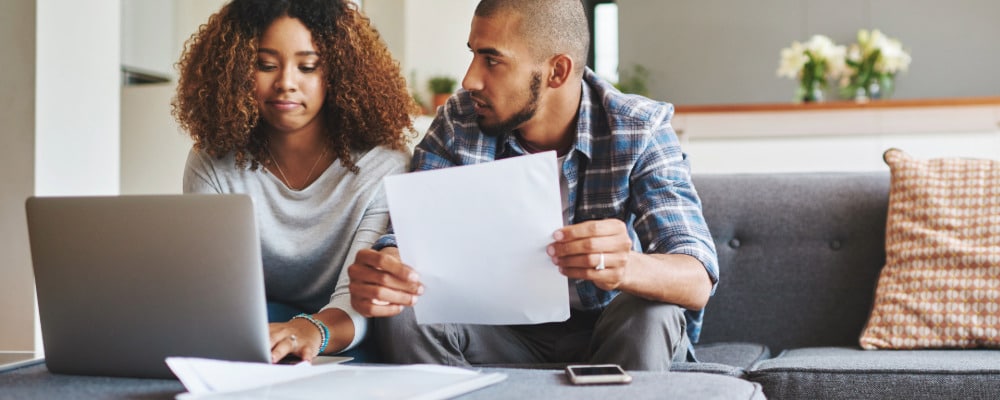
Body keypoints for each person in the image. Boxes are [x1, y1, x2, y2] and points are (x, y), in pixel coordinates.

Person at [347, 0, 718, 371]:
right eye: (473, 54)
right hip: (499, 332)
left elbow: (697, 277)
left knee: (652, 311)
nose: (469, 79)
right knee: (406, 309)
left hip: (609, 330)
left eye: (491, 60)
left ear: (557, 71)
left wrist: (626, 267)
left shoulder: (639, 129)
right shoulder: (459, 122)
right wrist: (390, 269)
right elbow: (408, 240)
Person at [173, 0, 417, 363]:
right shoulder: (212, 162)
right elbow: (213, 294)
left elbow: (362, 298)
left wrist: (310, 330)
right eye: (265, 65)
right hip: (255, 327)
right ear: (237, 69)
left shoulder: (383, 164)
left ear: (338, 72)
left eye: (308, 66)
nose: (286, 83)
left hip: (346, 331)